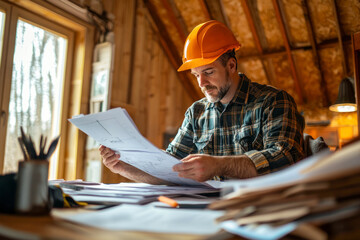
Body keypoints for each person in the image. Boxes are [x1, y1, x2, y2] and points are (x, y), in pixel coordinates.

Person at [99, 20, 305, 184]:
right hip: (207, 212)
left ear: (231, 65)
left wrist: (218, 165)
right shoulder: (196, 112)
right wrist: (123, 166)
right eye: (196, 75)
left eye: (208, 72)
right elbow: (169, 167)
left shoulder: (274, 102)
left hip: (261, 210)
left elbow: (285, 159)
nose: (202, 83)